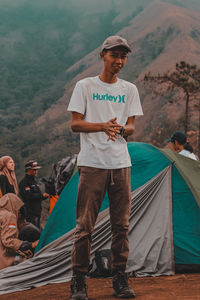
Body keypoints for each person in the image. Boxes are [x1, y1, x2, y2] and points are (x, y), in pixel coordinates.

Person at [67, 35, 143, 299]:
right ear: (103, 55)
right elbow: (75, 124)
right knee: (84, 226)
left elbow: (132, 127)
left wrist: (120, 128)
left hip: (121, 165)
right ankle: (78, 280)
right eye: (114, 55)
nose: (119, 61)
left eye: (123, 56)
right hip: (91, 164)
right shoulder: (85, 86)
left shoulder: (129, 89)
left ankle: (120, 279)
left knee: (121, 226)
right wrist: (102, 126)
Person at [0, 193, 38, 270]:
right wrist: (30, 245)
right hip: (4, 263)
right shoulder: (9, 216)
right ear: (15, 205)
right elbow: (8, 240)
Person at [19, 160, 49, 229]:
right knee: (34, 232)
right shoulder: (24, 182)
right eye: (34, 170)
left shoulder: (34, 181)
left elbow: (37, 195)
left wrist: (44, 196)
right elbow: (28, 196)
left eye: (36, 170)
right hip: (30, 213)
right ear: (28, 170)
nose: (36, 172)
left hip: (38, 212)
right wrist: (41, 196)